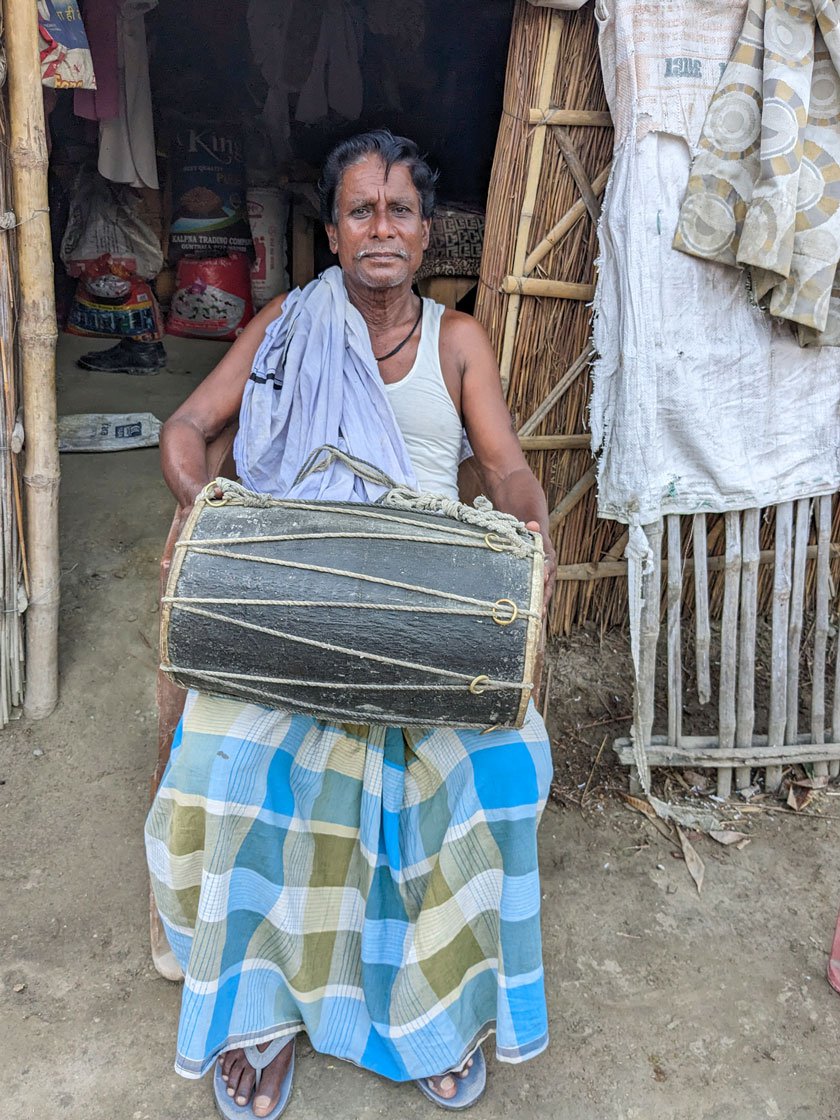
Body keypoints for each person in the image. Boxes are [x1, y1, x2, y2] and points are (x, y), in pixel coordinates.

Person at [146, 129, 557, 1118]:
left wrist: (528, 520)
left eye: (400, 209)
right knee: (226, 759)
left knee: (492, 767)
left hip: (426, 599)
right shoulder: (289, 321)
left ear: (426, 234)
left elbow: (500, 465)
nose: (382, 227)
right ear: (332, 234)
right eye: (361, 210)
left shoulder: (457, 340)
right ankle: (259, 1012)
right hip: (295, 595)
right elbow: (186, 429)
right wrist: (207, 511)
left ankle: (435, 1007)